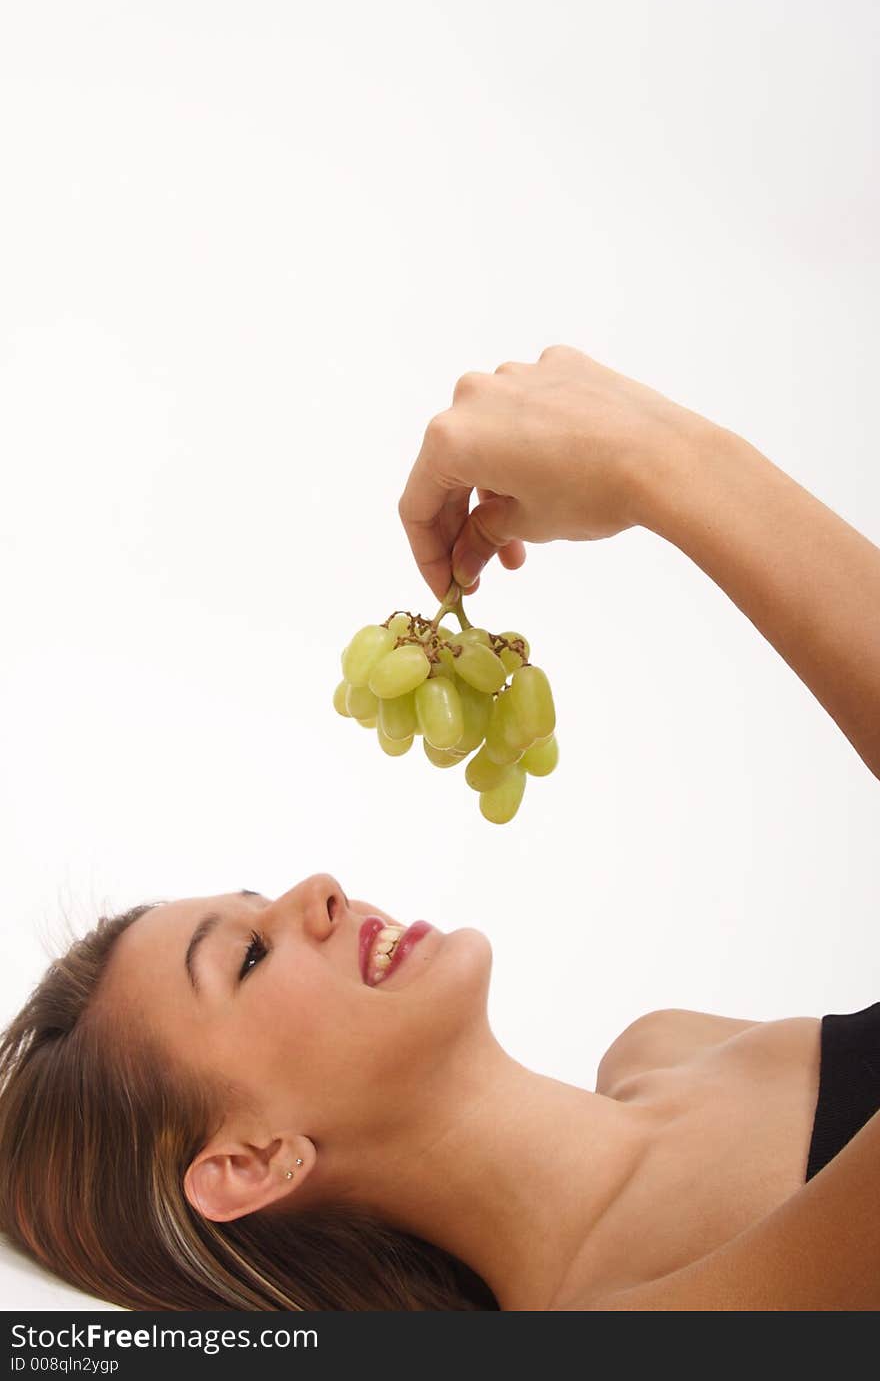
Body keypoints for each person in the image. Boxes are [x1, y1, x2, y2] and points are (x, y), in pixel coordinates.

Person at [1, 345, 878, 1311]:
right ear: (252, 1162)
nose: (322, 890)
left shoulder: (669, 1048)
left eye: (267, 902)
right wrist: (662, 461)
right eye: (247, 957)